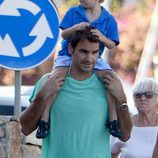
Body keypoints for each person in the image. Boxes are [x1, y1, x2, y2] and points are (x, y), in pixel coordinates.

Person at [20, 27, 132, 158]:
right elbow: (25, 128)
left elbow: (125, 135)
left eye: (94, 52)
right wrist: (42, 95)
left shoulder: (108, 85)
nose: (89, 58)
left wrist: (121, 98)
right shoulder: (49, 82)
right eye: (83, 51)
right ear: (71, 49)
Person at [36, 0, 120, 139]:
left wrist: (102, 37)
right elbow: (63, 34)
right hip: (67, 55)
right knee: (55, 79)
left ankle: (113, 119)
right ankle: (44, 119)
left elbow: (112, 44)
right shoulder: (73, 12)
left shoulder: (108, 19)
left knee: (111, 79)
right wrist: (76, 27)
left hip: (94, 58)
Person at [111, 77, 158, 158]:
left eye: (149, 95)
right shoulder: (124, 125)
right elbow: (111, 154)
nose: (142, 98)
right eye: (138, 95)